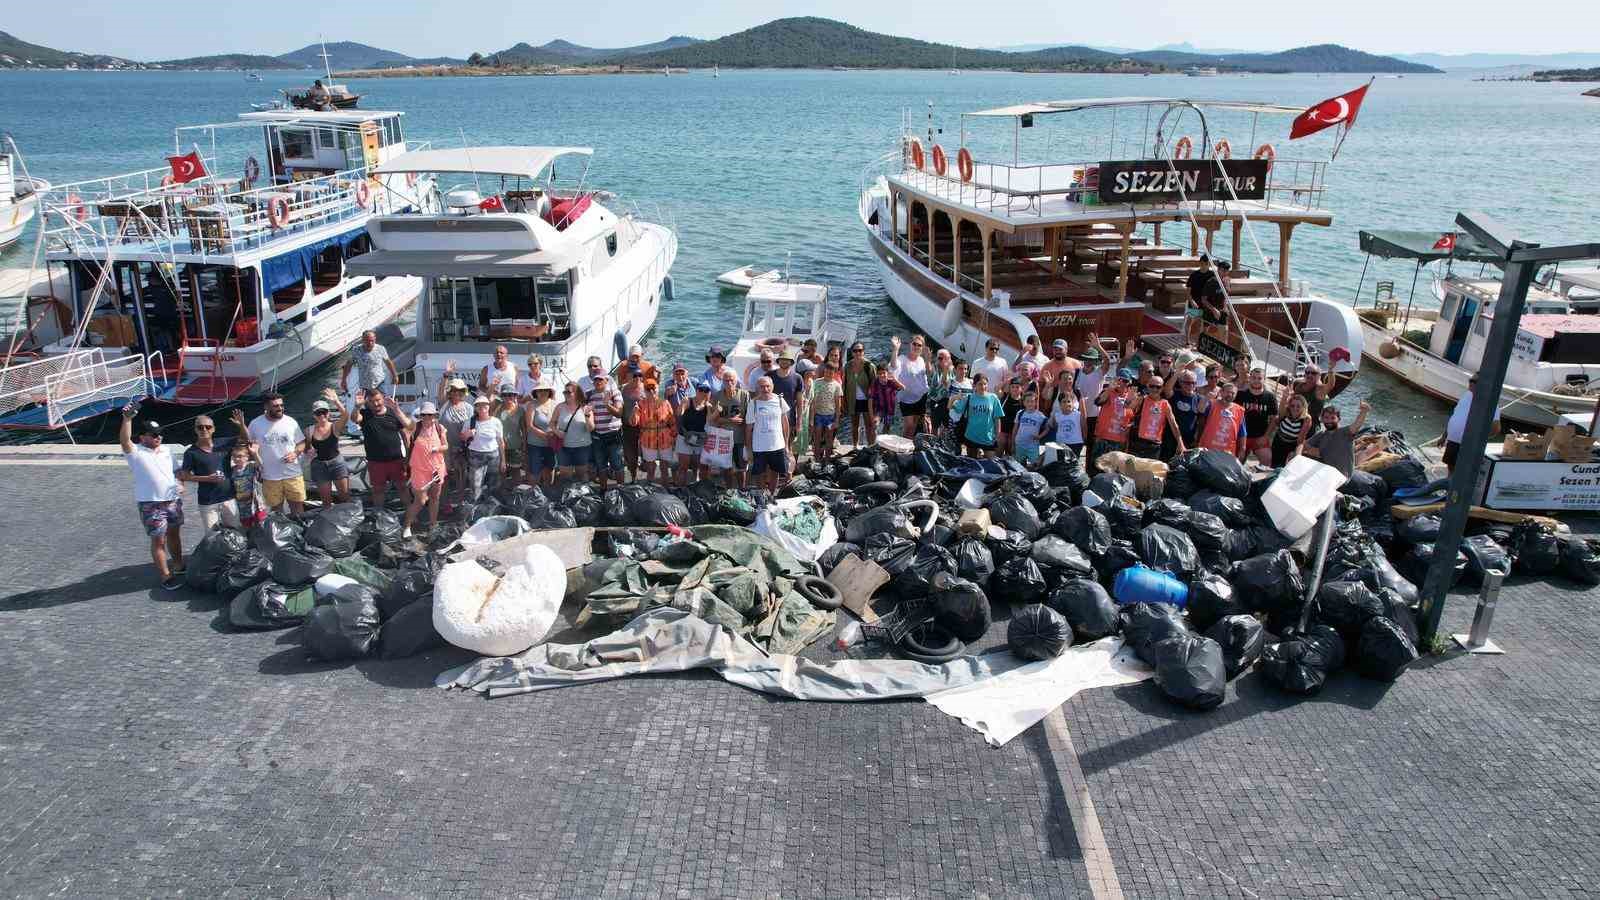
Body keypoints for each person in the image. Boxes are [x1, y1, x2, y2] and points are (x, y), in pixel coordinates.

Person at [121, 407, 187, 589]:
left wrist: (182, 484)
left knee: (175, 534)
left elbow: (177, 471)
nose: (158, 437)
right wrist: (127, 419)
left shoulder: (166, 451)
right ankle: (166, 576)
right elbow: (125, 440)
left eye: (159, 434)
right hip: (151, 504)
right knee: (159, 540)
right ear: (142, 437)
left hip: (173, 501)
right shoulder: (135, 453)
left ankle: (179, 564)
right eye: (153, 434)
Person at [245, 392, 307, 515]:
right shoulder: (255, 424)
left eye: (281, 405)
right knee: (276, 511)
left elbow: (302, 443)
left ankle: (300, 531)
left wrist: (295, 453)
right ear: (266, 407)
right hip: (270, 476)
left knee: (298, 509)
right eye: (276, 406)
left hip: (293, 474)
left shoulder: (291, 422)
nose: (280, 408)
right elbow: (248, 445)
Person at [179, 414, 241, 534]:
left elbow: (245, 438)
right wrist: (207, 478)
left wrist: (241, 425)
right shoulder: (191, 453)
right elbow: (184, 476)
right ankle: (217, 553)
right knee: (212, 535)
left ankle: (235, 553)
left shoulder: (223, 444)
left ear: (213, 429)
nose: (204, 430)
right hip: (208, 501)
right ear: (195, 429)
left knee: (236, 531)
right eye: (200, 427)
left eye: (208, 427)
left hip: (228, 497)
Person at [351, 388, 411, 508]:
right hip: (376, 461)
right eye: (372, 401)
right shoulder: (365, 414)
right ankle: (379, 514)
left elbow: (406, 436)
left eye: (378, 400)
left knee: (403, 488)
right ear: (367, 402)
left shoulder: (393, 412)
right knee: (378, 491)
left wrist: (408, 458)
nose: (376, 403)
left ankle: (411, 513)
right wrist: (357, 407)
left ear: (383, 398)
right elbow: (354, 419)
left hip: (397, 460)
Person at [403, 401, 448, 539]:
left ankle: (433, 524)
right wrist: (394, 408)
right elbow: (403, 423)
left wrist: (438, 449)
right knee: (420, 500)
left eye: (431, 415)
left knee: (435, 498)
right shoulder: (414, 428)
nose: (428, 418)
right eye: (425, 415)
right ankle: (407, 526)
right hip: (419, 470)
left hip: (437, 469)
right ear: (421, 416)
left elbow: (446, 446)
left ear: (435, 415)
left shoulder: (440, 428)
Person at [1443, 375, 1500, 471]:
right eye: (1470, 380)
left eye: (1474, 381)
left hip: (1468, 445)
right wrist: (1444, 436)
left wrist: (1478, 439)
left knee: (1463, 472)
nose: (1471, 382)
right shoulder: (1466, 395)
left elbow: (1496, 428)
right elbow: (1455, 415)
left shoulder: (1490, 402)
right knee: (1450, 469)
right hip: (1453, 441)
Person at [746, 375, 792, 492]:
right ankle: (762, 495)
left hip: (777, 444)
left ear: (772, 387)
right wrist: (749, 449)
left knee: (775, 471)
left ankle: (771, 495)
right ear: (757, 388)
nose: (765, 389)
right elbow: (748, 428)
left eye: (768, 386)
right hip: (759, 446)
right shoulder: (753, 403)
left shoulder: (779, 400)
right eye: (762, 387)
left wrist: (786, 444)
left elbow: (785, 424)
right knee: (759, 473)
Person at [1304, 401, 1372, 479]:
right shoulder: (1321, 435)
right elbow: (1305, 445)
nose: (1329, 421)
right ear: (1322, 419)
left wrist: (1364, 412)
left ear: (1339, 419)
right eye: (1326, 418)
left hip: (1342, 476)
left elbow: (1356, 425)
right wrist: (1313, 450)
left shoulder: (1344, 432)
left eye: (1333, 418)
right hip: (1326, 472)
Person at [305, 391, 351, 506]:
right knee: (326, 502)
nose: (322, 415)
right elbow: (306, 448)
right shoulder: (308, 430)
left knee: (344, 497)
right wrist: (308, 451)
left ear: (328, 413)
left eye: (324, 412)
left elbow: (346, 415)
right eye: (318, 413)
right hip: (319, 465)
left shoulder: (335, 427)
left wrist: (336, 401)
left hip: (337, 464)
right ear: (314, 415)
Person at [437, 365, 475, 500]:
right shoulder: (444, 404)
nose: (457, 393)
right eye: (454, 390)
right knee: (445, 475)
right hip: (445, 447)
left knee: (462, 475)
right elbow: (440, 390)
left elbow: (474, 427)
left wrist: (470, 435)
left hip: (463, 448)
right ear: (450, 392)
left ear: (464, 392)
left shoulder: (469, 408)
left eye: (460, 390)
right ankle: (445, 502)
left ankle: (460, 502)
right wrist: (446, 375)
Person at [709, 369, 750, 488]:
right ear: (722, 381)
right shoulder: (717, 396)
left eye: (731, 380)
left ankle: (742, 489)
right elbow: (713, 419)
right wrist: (730, 420)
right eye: (726, 380)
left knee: (741, 467)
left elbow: (748, 418)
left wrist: (748, 438)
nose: (729, 382)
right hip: (723, 438)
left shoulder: (744, 395)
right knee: (726, 466)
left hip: (739, 437)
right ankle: (729, 489)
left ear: (736, 381)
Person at [460, 395, 506, 501]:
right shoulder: (470, 422)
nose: (482, 407)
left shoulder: (496, 422)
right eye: (479, 406)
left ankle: (492, 507)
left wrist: (503, 460)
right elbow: (462, 437)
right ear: (475, 408)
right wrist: (468, 434)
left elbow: (501, 442)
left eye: (484, 405)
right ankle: (476, 509)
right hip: (475, 456)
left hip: (493, 456)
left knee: (494, 485)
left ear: (488, 407)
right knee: (475, 485)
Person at [631, 378, 676, 483]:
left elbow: (672, 421)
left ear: (657, 388)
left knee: (664, 467)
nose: (651, 391)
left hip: (665, 440)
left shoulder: (666, 403)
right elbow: (634, 423)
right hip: (648, 441)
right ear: (644, 391)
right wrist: (634, 412)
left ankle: (666, 487)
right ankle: (650, 488)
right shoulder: (640, 405)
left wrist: (674, 437)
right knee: (650, 468)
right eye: (648, 389)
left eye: (653, 388)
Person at [587, 370, 625, 491]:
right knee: (601, 466)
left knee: (617, 465)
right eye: (595, 380)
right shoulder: (589, 395)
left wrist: (607, 404)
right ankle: (603, 491)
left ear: (606, 381)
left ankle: (621, 490)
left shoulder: (615, 393)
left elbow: (619, 413)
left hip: (613, 436)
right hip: (597, 437)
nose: (598, 382)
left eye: (600, 379)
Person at [1091, 372, 1136, 472]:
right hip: (1103, 438)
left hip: (1119, 441)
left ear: (1129, 383)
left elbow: (1134, 418)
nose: (1121, 383)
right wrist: (1110, 388)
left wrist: (1129, 426)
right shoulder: (1109, 392)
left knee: (1113, 471)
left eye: (1125, 381)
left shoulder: (1132, 395)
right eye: (1119, 379)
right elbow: (1097, 402)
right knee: (1096, 468)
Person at [1236, 364, 1280, 466]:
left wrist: (1266, 437)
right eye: (1254, 378)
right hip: (1242, 436)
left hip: (1260, 437)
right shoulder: (1240, 395)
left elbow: (1274, 419)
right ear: (1249, 378)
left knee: (1267, 460)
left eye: (1259, 378)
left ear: (1264, 380)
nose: (1256, 380)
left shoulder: (1270, 397)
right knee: (1237, 462)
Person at [1128, 381, 1184, 460]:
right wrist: (1129, 400)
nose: (1155, 389)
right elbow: (1127, 412)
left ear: (1162, 388)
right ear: (1148, 386)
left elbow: (1173, 424)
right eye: (1152, 386)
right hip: (1138, 443)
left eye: (1158, 387)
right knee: (1132, 471)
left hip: (1154, 446)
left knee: (1149, 472)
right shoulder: (1141, 399)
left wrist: (1180, 442)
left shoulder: (1165, 404)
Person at [1196, 380, 1249, 462]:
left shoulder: (1239, 410)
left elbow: (1242, 433)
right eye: (1227, 392)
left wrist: (1242, 449)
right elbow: (1200, 409)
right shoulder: (1211, 404)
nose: (1230, 395)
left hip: (1227, 454)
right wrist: (1206, 398)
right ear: (1221, 392)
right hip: (1207, 450)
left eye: (1233, 393)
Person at [889, 335, 930, 436]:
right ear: (910, 345)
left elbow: (928, 374)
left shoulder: (921, 360)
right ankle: (903, 446)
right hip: (906, 399)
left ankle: (909, 446)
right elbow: (893, 365)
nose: (916, 346)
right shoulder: (902, 359)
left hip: (921, 397)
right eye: (914, 344)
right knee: (909, 425)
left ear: (922, 348)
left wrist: (928, 359)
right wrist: (895, 349)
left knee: (914, 425)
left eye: (919, 345)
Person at [553, 383, 595, 483]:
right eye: (564, 392)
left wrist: (587, 416)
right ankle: (569, 497)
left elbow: (591, 428)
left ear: (576, 393)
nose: (565, 394)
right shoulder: (560, 407)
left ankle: (584, 496)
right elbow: (551, 423)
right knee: (565, 476)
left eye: (569, 392)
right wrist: (557, 431)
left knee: (582, 475)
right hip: (564, 447)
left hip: (582, 447)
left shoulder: (585, 408)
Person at [954, 373, 1003, 458]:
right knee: (971, 465)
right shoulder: (969, 397)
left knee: (990, 463)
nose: (983, 386)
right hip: (971, 436)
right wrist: (953, 399)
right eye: (980, 384)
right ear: (974, 385)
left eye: (985, 384)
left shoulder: (993, 398)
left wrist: (997, 435)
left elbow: (997, 418)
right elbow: (956, 408)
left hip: (988, 437)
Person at [522, 379, 560, 487]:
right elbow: (529, 426)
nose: (542, 392)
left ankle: (548, 492)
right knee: (535, 471)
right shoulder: (531, 405)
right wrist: (546, 436)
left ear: (549, 391)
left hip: (552, 445)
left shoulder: (555, 404)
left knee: (550, 467)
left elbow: (559, 423)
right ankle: (535, 496)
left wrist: (554, 435)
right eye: (539, 390)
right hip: (535, 444)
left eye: (545, 389)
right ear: (535, 393)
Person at [674, 381, 711, 485]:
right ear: (696, 390)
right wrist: (682, 405)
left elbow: (710, 421)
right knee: (683, 467)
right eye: (701, 390)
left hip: (699, 439)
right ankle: (681, 490)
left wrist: (715, 410)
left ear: (709, 393)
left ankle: (700, 487)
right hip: (684, 437)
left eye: (706, 390)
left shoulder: (708, 406)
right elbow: (678, 413)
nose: (703, 392)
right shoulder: (688, 401)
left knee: (701, 467)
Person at [341, 330, 398, 397]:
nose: (370, 343)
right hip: (365, 385)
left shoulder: (380, 349)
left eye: (372, 341)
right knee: (369, 405)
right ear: (362, 340)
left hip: (379, 383)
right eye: (367, 341)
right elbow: (348, 365)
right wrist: (344, 380)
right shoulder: (356, 350)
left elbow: (388, 362)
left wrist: (395, 375)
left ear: (375, 339)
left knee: (382, 402)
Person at [842, 341, 877, 448]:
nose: (858, 353)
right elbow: (844, 384)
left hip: (867, 401)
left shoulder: (870, 366)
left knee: (869, 425)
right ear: (852, 352)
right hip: (853, 399)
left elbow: (875, 384)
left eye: (860, 350)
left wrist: (875, 402)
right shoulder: (847, 366)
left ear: (863, 352)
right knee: (854, 425)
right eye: (855, 351)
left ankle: (871, 447)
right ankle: (855, 446)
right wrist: (844, 401)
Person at [1163, 368, 1205, 456]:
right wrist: (1177, 373)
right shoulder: (1175, 394)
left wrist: (1197, 440)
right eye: (1187, 382)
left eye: (1193, 383)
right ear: (1181, 382)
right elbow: (1167, 390)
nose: (1190, 385)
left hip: (1187, 441)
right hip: (1169, 438)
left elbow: (1201, 421)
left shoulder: (1199, 399)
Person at [810, 359, 844, 463]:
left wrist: (837, 420)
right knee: (817, 439)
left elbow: (838, 405)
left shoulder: (837, 386)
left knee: (829, 439)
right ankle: (817, 460)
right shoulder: (816, 383)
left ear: (834, 373)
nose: (828, 374)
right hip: (818, 416)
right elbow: (813, 402)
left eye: (831, 372)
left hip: (830, 417)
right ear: (824, 371)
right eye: (827, 371)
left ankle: (828, 460)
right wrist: (811, 419)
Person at [1267, 393, 1313, 468]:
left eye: (1298, 406)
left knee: (1284, 468)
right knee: (1272, 466)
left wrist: (1297, 454)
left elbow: (1300, 440)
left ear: (1303, 407)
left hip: (1291, 445)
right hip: (1278, 442)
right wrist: (1284, 397)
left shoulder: (1306, 419)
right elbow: (1277, 418)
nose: (1295, 408)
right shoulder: (1285, 412)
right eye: (1292, 406)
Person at [617, 368, 645, 481]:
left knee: (646, 456)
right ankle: (633, 477)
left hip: (643, 428)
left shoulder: (646, 388)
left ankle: (645, 477)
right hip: (627, 427)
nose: (637, 378)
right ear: (629, 376)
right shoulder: (623, 389)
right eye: (635, 375)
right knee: (630, 456)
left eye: (640, 375)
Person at [1077, 344, 1109, 442]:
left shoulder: (1099, 373)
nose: (1088, 361)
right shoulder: (1076, 373)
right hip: (1078, 414)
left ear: (1096, 361)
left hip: (1094, 415)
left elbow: (1107, 361)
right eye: (1086, 359)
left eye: (1091, 359)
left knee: (1091, 445)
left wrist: (1098, 346)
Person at [1184, 255, 1217, 345]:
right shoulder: (1194, 275)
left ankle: (1199, 343)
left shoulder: (1212, 275)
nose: (1203, 265)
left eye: (1205, 264)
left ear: (1208, 264)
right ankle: (1187, 341)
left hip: (1206, 303)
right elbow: (1188, 290)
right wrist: (1191, 301)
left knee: (1201, 323)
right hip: (1194, 301)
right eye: (1201, 263)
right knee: (1189, 321)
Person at [496, 385, 526, 483]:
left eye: (511, 395)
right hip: (500, 446)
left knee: (516, 472)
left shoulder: (521, 410)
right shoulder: (497, 409)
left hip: (515, 445)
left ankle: (516, 493)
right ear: (502, 396)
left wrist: (525, 446)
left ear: (515, 396)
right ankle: (503, 492)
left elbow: (524, 430)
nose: (508, 397)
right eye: (505, 395)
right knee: (501, 471)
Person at [1049, 390, 1088, 463]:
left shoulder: (1078, 414)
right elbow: (1056, 427)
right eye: (1064, 401)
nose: (1067, 404)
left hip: (1076, 443)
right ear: (1060, 404)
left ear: (1073, 403)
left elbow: (1084, 424)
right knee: (1062, 463)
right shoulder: (1057, 415)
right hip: (1061, 444)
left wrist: (1084, 437)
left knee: (1074, 463)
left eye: (1069, 401)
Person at [1013, 390, 1048, 467]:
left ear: (1035, 403)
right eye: (1027, 401)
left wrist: (1039, 436)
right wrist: (1013, 443)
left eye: (1032, 401)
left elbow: (1047, 428)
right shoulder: (1020, 413)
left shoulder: (1040, 415)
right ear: (1024, 402)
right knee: (1019, 467)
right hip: (1020, 444)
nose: (1030, 403)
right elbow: (1015, 429)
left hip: (1033, 446)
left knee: (1035, 466)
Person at [769, 355, 804, 431]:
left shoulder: (798, 378)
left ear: (791, 362)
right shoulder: (769, 376)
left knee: (788, 442)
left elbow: (800, 402)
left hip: (790, 419)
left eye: (787, 359)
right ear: (778, 361)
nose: (784, 361)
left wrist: (799, 421)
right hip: (772, 419)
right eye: (782, 359)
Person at [867, 361, 901, 439]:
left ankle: (883, 445)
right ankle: (874, 443)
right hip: (878, 409)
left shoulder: (891, 382)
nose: (882, 375)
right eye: (879, 373)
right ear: (877, 374)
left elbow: (902, 388)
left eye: (884, 373)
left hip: (890, 409)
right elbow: (870, 400)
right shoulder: (874, 383)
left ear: (887, 373)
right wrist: (871, 416)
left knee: (886, 428)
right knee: (875, 424)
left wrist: (895, 379)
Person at [926, 349, 954, 436]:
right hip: (936, 401)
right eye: (939, 358)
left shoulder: (953, 370)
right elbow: (929, 371)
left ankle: (942, 442)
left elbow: (947, 383)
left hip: (948, 401)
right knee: (935, 425)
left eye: (943, 358)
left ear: (948, 359)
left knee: (946, 425)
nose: (940, 360)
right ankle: (935, 442)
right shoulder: (935, 367)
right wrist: (928, 359)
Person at [791, 358, 815, 460]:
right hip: (795, 418)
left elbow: (812, 402)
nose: (814, 372)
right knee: (793, 443)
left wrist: (811, 420)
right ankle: (790, 468)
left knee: (801, 442)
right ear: (805, 373)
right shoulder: (795, 384)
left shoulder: (811, 382)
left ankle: (794, 465)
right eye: (811, 370)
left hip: (805, 418)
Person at [947, 361, 973, 433]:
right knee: (950, 439)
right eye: (960, 368)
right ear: (955, 369)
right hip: (953, 417)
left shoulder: (971, 382)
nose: (963, 371)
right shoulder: (951, 382)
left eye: (965, 369)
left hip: (966, 418)